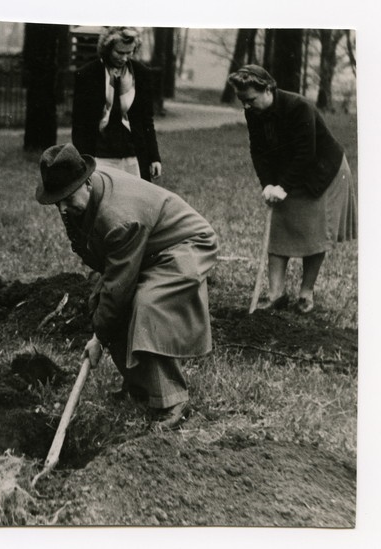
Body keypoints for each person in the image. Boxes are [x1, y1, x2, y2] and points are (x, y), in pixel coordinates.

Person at [35, 143, 218, 430]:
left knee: (146, 305)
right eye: (56, 201)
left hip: (186, 245)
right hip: (148, 249)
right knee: (103, 304)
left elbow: (119, 287)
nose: (62, 208)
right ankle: (139, 386)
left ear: (86, 183)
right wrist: (102, 324)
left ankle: (172, 400)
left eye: (67, 199)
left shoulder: (119, 217)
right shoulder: (87, 196)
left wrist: (98, 338)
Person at [227, 65, 358, 314]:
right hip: (291, 170)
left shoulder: (299, 107)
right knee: (279, 227)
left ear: (268, 89)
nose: (246, 106)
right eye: (242, 101)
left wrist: (283, 186)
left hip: (324, 172)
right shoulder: (253, 112)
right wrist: (267, 184)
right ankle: (276, 294)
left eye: (250, 100)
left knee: (313, 232)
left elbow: (305, 154)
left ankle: (306, 293)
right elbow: (258, 151)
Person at [71, 26, 161, 182]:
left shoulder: (142, 74)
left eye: (129, 52)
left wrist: (154, 158)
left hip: (133, 155)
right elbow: (79, 123)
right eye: (119, 52)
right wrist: (83, 160)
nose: (125, 58)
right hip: (100, 155)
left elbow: (147, 120)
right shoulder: (87, 74)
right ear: (107, 48)